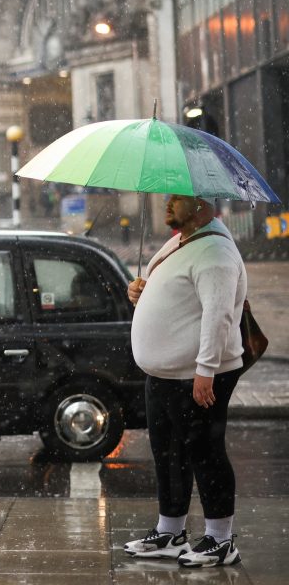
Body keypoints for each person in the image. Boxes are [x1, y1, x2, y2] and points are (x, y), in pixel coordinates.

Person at [124, 194, 247, 568]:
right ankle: (171, 531)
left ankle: (220, 540)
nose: (167, 204)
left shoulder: (214, 252)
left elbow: (218, 315)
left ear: (203, 205)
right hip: (163, 375)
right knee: (168, 454)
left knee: (205, 453)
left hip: (195, 376)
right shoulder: (183, 240)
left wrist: (205, 370)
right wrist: (140, 293)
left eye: (178, 199)